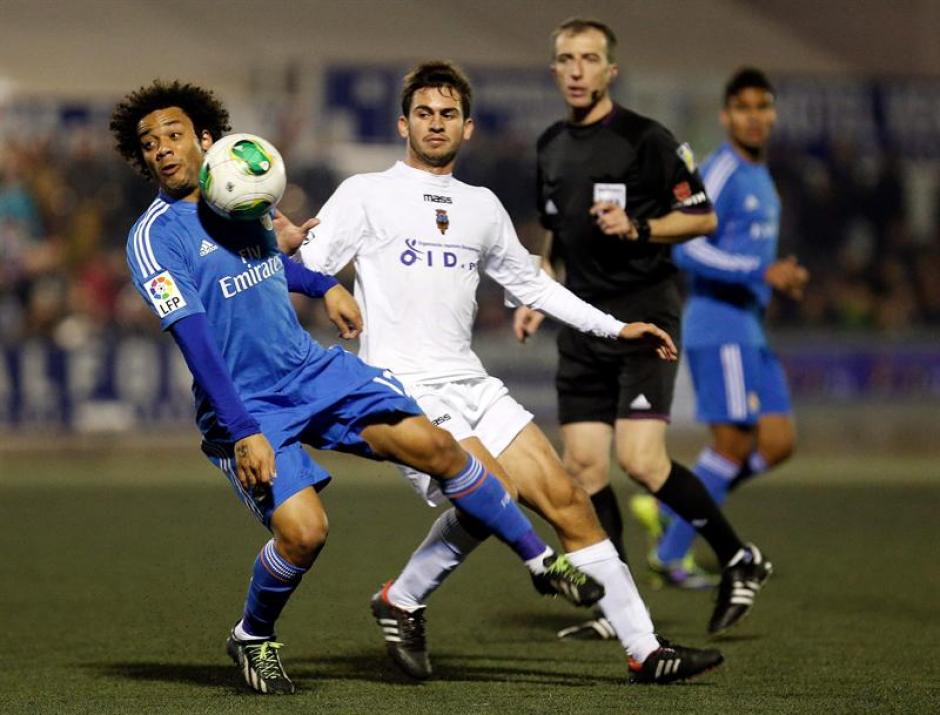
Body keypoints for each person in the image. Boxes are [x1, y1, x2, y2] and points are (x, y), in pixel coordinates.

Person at [110, 80, 605, 696]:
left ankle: (540, 560)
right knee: (304, 533)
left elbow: (268, 262)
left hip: (311, 371)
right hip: (248, 406)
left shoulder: (238, 193)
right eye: (148, 143)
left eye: (173, 134)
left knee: (438, 447)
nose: (161, 148)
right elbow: (195, 339)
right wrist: (242, 431)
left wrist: (323, 285)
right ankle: (253, 636)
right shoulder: (155, 237)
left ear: (205, 138)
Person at [296, 60, 723, 685]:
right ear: (402, 123)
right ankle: (410, 597)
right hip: (401, 389)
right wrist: (302, 269)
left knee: (570, 499)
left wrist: (614, 325)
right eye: (424, 113)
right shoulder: (365, 194)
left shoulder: (481, 206)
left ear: (467, 128)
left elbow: (532, 285)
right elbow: (302, 266)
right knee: (492, 489)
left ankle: (644, 649)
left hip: (470, 381)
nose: (435, 124)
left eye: (447, 115)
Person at [513, 17, 773, 638]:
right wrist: (536, 291)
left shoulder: (648, 140)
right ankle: (619, 609)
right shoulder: (549, 144)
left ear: (610, 70)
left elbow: (702, 217)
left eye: (589, 58)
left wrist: (641, 228)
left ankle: (740, 559)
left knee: (641, 461)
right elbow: (555, 232)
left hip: (644, 317)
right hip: (583, 321)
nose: (576, 69)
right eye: (566, 59)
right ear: (554, 71)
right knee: (583, 469)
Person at [630, 68, 807, 584]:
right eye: (744, 108)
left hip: (749, 325)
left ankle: (671, 512)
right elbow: (687, 246)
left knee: (776, 443)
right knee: (731, 444)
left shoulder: (760, 174)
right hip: (719, 324)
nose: (755, 117)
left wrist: (778, 278)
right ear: (727, 115)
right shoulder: (722, 170)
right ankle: (671, 554)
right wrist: (759, 271)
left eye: (763, 107)